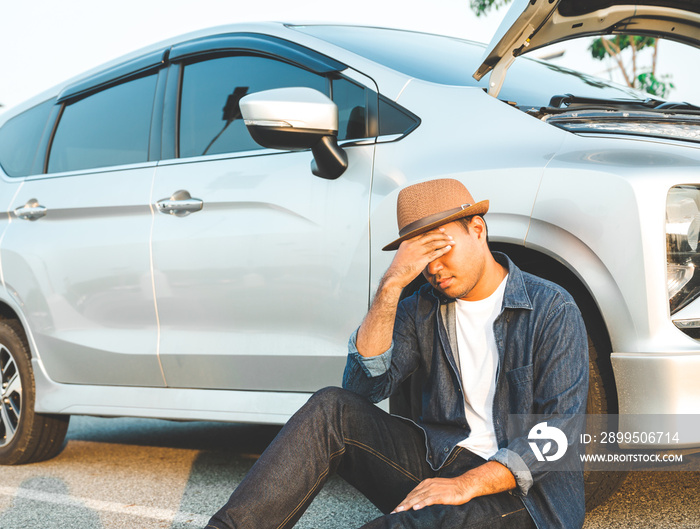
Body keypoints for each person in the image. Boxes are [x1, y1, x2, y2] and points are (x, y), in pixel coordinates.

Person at [205, 178, 589, 529]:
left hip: (523, 497)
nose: (433, 268)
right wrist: (390, 285)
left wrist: (465, 485)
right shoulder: (419, 306)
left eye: (440, 248)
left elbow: (556, 435)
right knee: (330, 408)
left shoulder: (551, 308)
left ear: (477, 229)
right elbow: (361, 391)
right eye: (420, 258)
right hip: (437, 462)